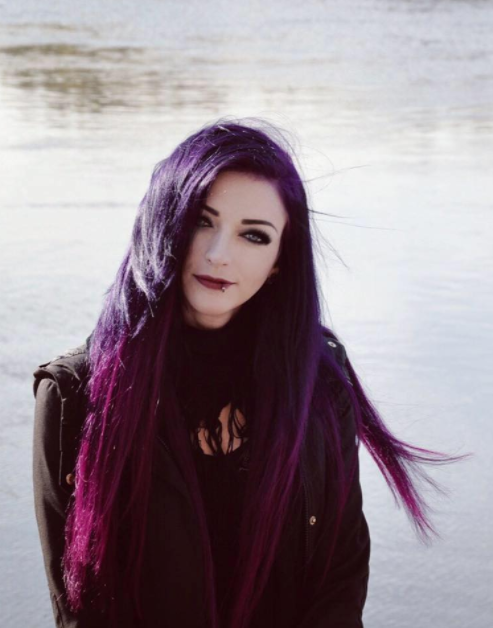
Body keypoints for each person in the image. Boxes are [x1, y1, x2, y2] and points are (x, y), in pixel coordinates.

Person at [32, 118, 466, 628]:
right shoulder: (76, 394)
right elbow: (80, 609)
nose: (219, 255)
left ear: (280, 260)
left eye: (254, 236)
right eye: (201, 221)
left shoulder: (320, 382)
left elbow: (340, 572)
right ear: (164, 222)